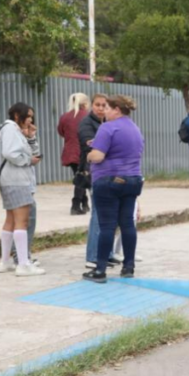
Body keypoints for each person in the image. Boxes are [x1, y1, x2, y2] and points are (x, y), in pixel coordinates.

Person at [83, 95, 145, 284]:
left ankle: (100, 270)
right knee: (127, 224)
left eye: (107, 108)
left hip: (109, 181)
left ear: (117, 109)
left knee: (107, 226)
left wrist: (89, 155)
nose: (104, 111)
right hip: (133, 180)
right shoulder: (135, 129)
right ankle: (128, 267)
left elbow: (99, 156)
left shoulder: (107, 127)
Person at [0, 103, 45, 277]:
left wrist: (31, 137)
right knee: (22, 222)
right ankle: (23, 264)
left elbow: (34, 153)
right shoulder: (10, 129)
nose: (30, 119)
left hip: (12, 180)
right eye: (28, 115)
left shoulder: (15, 130)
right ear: (17, 115)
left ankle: (5, 262)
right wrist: (27, 160)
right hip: (16, 181)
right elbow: (10, 153)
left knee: (10, 220)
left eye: (32, 116)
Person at [79, 94, 108, 269]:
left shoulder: (108, 123)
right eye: (97, 105)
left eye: (104, 105)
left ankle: (107, 253)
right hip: (92, 172)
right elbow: (91, 145)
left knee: (107, 215)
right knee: (97, 214)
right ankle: (92, 255)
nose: (100, 108)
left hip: (108, 172)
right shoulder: (86, 123)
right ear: (92, 105)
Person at [58, 93, 90, 215]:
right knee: (82, 177)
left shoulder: (64, 117)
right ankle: (75, 205)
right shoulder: (88, 116)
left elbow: (61, 132)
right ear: (85, 103)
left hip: (70, 152)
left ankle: (85, 202)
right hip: (83, 152)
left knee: (80, 176)